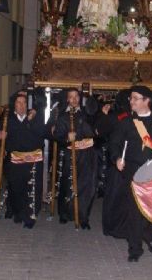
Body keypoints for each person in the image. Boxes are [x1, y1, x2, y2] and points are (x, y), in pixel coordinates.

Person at [110, 85, 152, 262]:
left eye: (135, 98)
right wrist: (117, 158)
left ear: (147, 100)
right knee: (134, 211)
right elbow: (114, 144)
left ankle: (149, 234)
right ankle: (135, 249)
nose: (131, 101)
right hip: (133, 171)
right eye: (130, 98)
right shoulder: (126, 121)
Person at [0, 92, 48, 228]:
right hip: (16, 161)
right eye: (18, 103)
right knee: (16, 188)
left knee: (33, 189)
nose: (22, 106)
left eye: (24, 103)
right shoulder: (8, 120)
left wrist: (30, 122)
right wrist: (0, 136)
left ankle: (30, 217)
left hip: (33, 160)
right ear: (14, 105)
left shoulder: (34, 118)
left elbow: (43, 134)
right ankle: (18, 212)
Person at [53, 88, 98, 229]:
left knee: (86, 186)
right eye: (70, 97)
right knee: (67, 185)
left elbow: (96, 132)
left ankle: (83, 217)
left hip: (86, 155)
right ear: (67, 99)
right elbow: (57, 137)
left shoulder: (87, 114)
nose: (73, 99)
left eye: (76, 96)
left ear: (79, 98)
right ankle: (64, 214)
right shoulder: (62, 116)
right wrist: (67, 138)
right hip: (69, 155)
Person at [97, 89, 131, 238]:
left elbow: (100, 131)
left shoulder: (118, 116)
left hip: (124, 162)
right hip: (120, 162)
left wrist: (103, 116)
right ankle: (116, 227)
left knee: (120, 197)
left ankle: (118, 227)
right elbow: (100, 131)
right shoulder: (119, 117)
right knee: (117, 196)